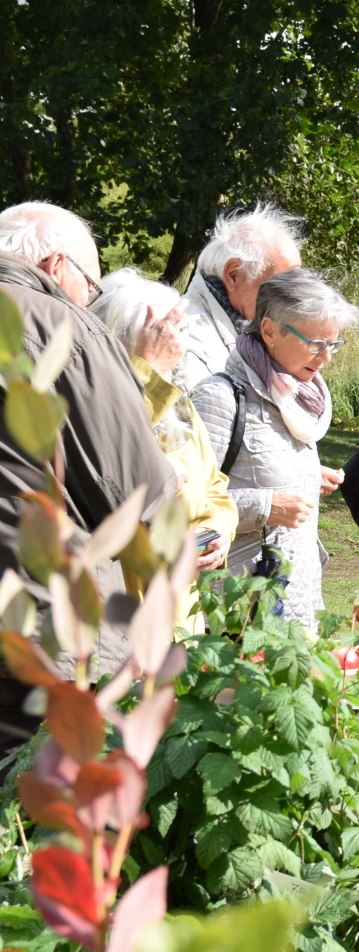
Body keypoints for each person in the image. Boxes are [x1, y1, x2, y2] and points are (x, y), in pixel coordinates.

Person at [0, 203, 178, 750]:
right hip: (37, 629)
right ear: (58, 266)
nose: (91, 300)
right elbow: (137, 494)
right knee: (33, 816)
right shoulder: (62, 326)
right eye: (92, 285)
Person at [192, 268, 356, 630]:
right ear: (268, 330)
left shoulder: (298, 396)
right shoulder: (218, 398)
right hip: (241, 605)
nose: (327, 357)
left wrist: (310, 476)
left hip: (302, 596)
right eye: (317, 344)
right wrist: (266, 506)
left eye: (334, 344)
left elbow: (262, 466)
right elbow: (187, 505)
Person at [92, 271, 237, 582]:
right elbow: (116, 453)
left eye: (180, 330)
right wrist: (150, 369)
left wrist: (219, 532)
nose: (179, 347)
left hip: (182, 613)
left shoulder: (178, 404)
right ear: (122, 335)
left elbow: (213, 484)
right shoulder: (92, 404)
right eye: (163, 333)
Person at [178, 204, 305, 391]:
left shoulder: (246, 327)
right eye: (279, 285)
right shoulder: (185, 344)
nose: (290, 298)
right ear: (233, 274)